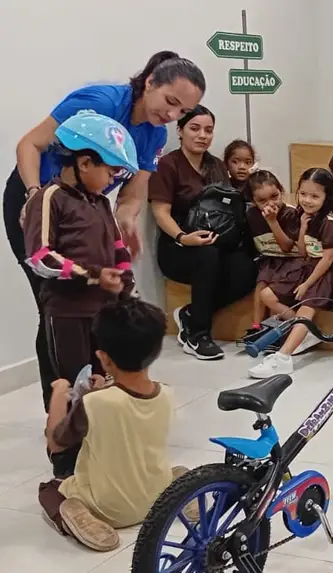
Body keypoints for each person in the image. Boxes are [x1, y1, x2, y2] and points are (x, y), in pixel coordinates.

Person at [4, 51, 205, 411]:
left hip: (87, 206)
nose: (173, 115)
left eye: (183, 111)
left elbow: (132, 194)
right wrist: (34, 195)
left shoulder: (154, 134)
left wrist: (125, 221)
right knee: (58, 306)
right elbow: (29, 144)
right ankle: (62, 411)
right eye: (170, 101)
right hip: (37, 198)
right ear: (150, 83)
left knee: (98, 301)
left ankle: (96, 399)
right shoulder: (100, 102)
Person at [23, 112, 139, 477]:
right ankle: (66, 467)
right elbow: (41, 257)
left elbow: (118, 249)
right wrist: (92, 275)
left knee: (104, 383)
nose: (113, 179)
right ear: (84, 162)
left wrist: (126, 287)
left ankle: (99, 460)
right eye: (111, 171)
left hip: (103, 312)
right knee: (74, 385)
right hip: (67, 312)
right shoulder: (50, 197)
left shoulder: (100, 203)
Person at [38, 298, 181, 552]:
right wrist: (105, 388)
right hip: (157, 500)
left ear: (103, 357)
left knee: (50, 489)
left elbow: (56, 444)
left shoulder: (94, 403)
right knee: (174, 470)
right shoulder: (167, 393)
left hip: (109, 508)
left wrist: (58, 395)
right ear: (156, 350)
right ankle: (181, 494)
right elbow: (126, 407)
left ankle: (78, 518)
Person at [150, 105, 257, 361]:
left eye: (208, 130)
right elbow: (160, 212)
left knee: (247, 266)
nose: (202, 135)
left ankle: (190, 313)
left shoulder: (216, 165)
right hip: (177, 247)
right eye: (195, 128)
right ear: (180, 130)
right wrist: (183, 237)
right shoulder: (168, 165)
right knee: (207, 256)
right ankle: (198, 335)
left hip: (215, 242)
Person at [248, 168, 333, 378]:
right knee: (266, 295)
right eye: (303, 194)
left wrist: (307, 284)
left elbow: (327, 259)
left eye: (315, 196)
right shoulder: (302, 215)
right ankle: (307, 331)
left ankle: (282, 357)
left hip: (322, 273)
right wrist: (303, 229)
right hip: (305, 266)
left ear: (327, 196)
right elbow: (302, 251)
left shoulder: (330, 221)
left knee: (306, 309)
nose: (307, 200)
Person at [245, 170, 301, 329]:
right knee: (261, 285)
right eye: (262, 201)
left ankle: (298, 326)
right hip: (270, 261)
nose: (270, 204)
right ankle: (256, 328)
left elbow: (286, 247)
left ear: (281, 191)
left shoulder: (291, 214)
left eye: (274, 196)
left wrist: (272, 222)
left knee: (270, 295)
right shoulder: (251, 215)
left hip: (292, 262)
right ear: (253, 201)